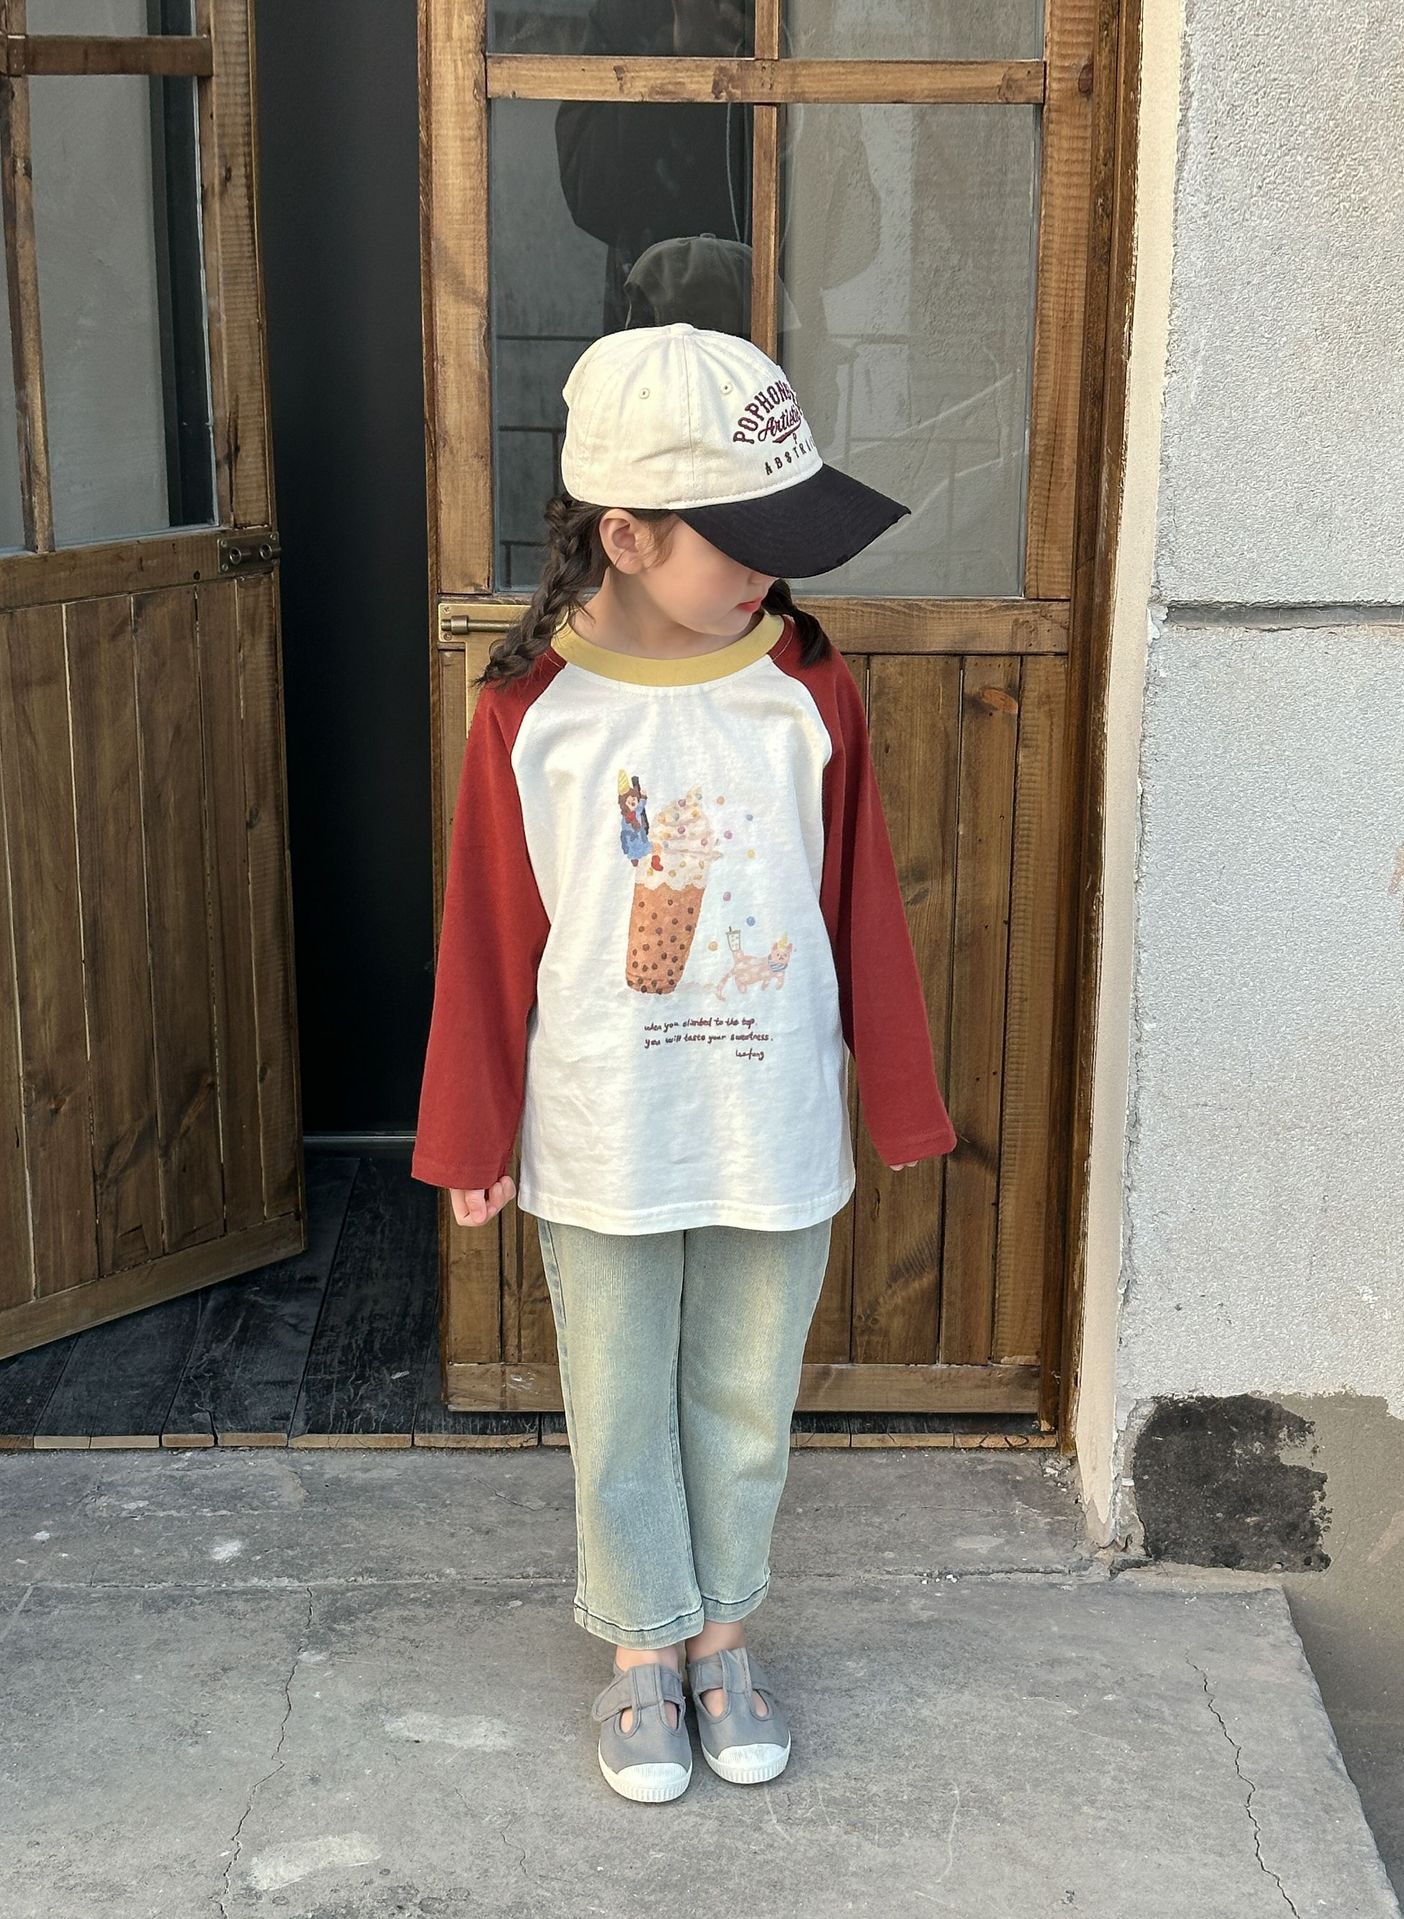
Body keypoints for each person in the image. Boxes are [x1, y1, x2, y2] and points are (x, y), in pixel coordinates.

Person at [411, 323, 957, 1804]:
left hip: (771, 1123)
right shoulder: (531, 714)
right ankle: (641, 1649)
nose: (777, 571)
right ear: (626, 535)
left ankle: (724, 1637)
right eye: (747, 539)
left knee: (742, 1402)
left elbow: (861, 903)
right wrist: (473, 1134)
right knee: (619, 1406)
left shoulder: (807, 688)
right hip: (604, 1128)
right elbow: (489, 934)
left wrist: (900, 1102)